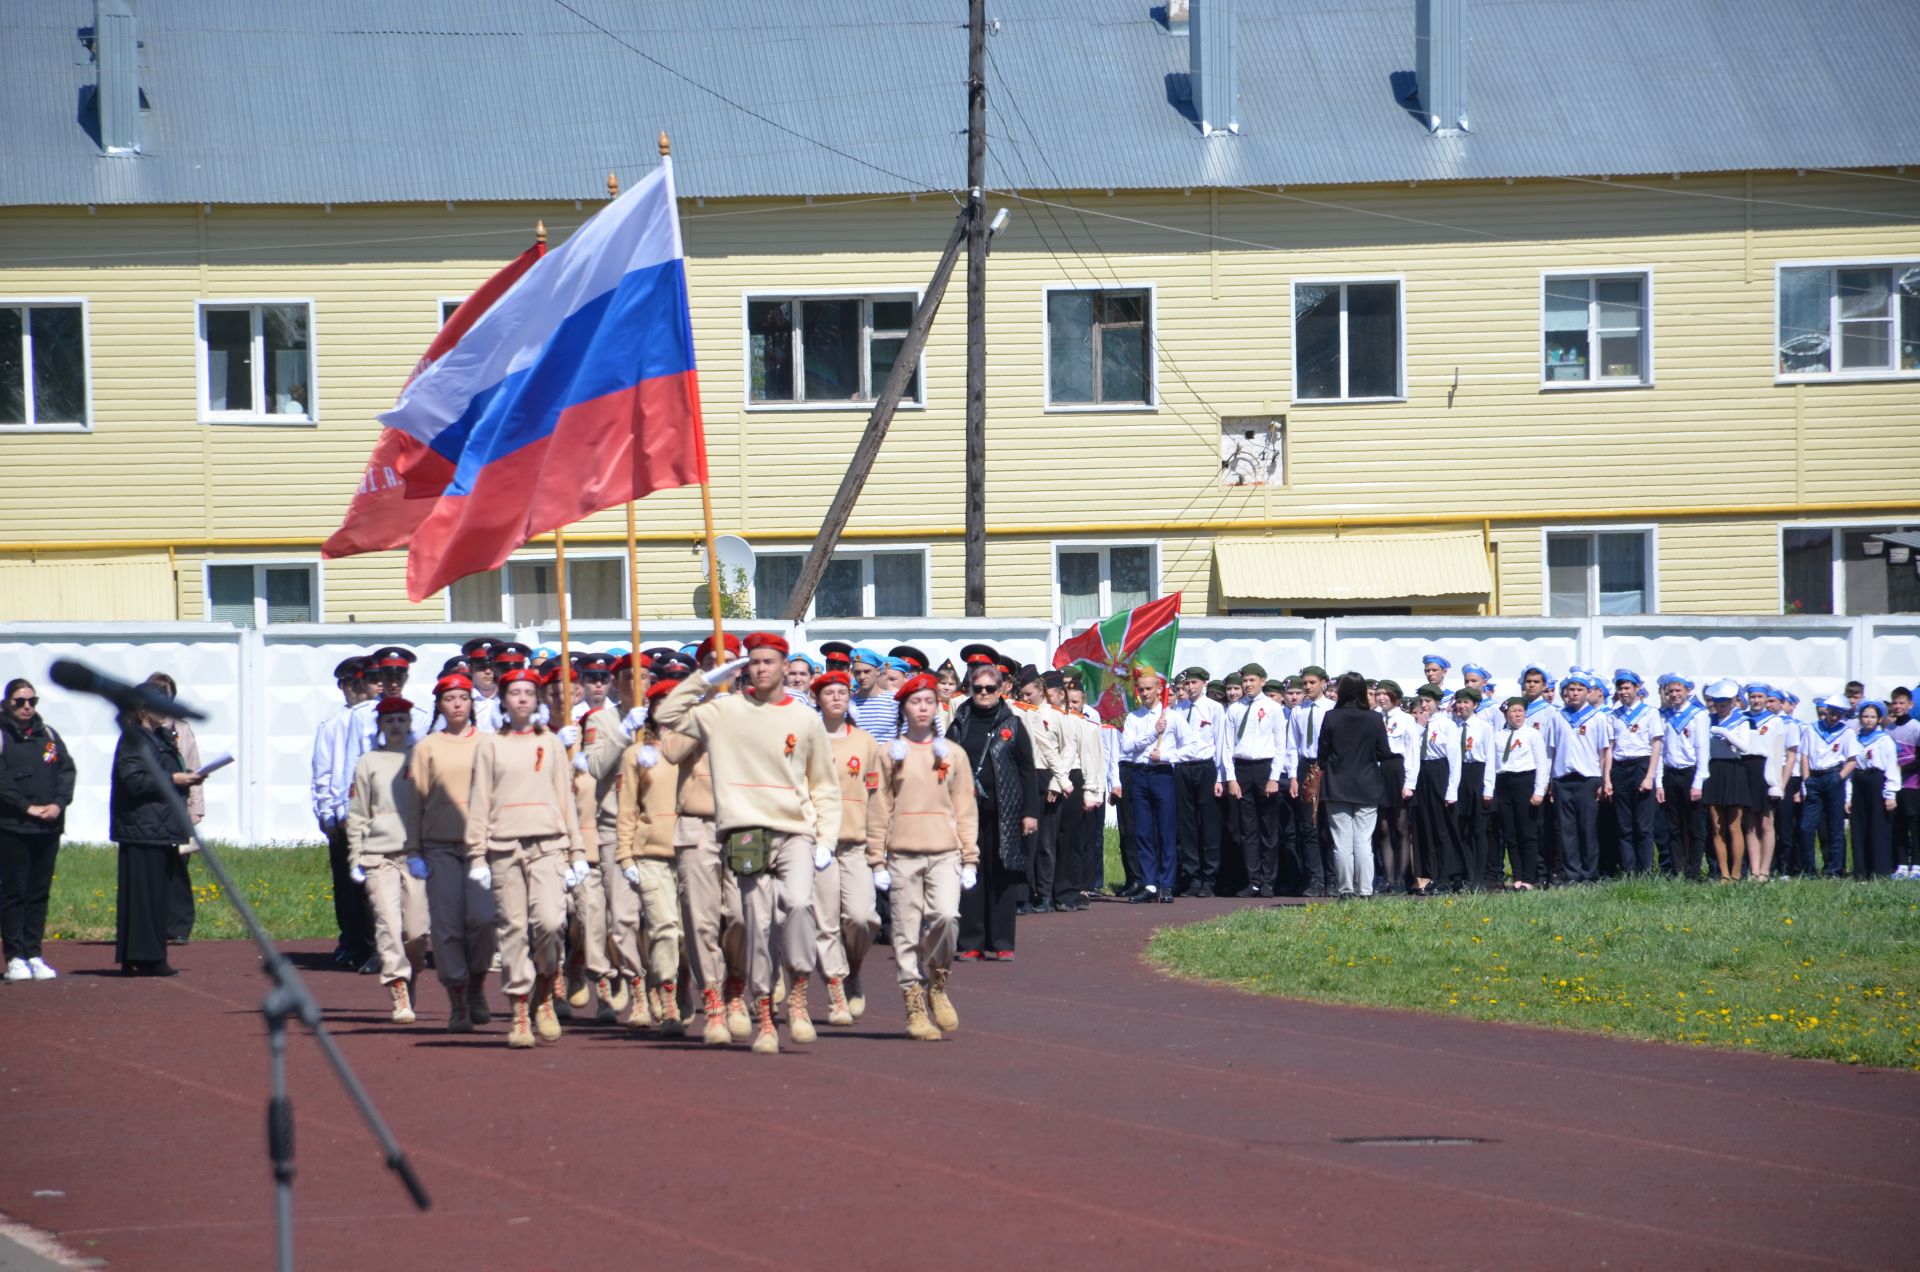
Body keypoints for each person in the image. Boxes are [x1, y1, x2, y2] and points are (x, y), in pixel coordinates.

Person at [654, 632, 840, 1056]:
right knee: (756, 924)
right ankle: (764, 1016)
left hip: (793, 829)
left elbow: (824, 784)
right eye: (753, 662)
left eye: (768, 662)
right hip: (747, 833)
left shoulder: (806, 719)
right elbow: (667, 715)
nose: (760, 669)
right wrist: (704, 679)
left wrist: (826, 837)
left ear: (783, 665)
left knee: (795, 906)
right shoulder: (724, 711)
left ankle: (796, 990)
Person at [465, 667, 591, 1049]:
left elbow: (565, 797)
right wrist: (477, 856)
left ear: (537, 700)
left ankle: (546, 988)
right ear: (503, 700)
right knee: (514, 930)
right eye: (515, 692)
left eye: (528, 693)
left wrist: (577, 850)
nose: (522, 698)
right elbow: (479, 800)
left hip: (549, 845)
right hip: (505, 847)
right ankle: (521, 1007)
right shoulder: (490, 745)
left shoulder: (551, 743)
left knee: (551, 924)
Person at [868, 672, 980, 1039]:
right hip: (902, 855)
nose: (922, 707)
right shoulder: (888, 754)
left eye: (928, 701)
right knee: (905, 931)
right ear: (904, 707)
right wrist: (876, 858)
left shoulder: (954, 754)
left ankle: (938, 981)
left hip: (945, 853)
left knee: (947, 918)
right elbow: (878, 807)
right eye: (915, 701)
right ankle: (913, 1002)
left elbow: (965, 807)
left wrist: (970, 858)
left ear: (936, 708)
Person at [408, 672, 495, 1031]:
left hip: (482, 848)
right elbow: (415, 801)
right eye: (450, 698)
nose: (457, 704)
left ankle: (476, 982)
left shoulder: (489, 744)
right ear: (440, 705)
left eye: (463, 697)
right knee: (446, 926)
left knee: (484, 919)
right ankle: (457, 996)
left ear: (472, 703)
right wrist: (413, 849)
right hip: (439, 845)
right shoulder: (427, 746)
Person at [346, 696, 430, 1023]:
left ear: (410, 724)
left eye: (402, 719)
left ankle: (412, 973)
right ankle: (397, 987)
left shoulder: (422, 758)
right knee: (389, 926)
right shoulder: (368, 762)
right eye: (390, 720)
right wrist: (356, 855)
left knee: (416, 931)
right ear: (380, 726)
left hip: (415, 855)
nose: (396, 725)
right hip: (379, 855)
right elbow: (358, 813)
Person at [611, 680, 688, 1037]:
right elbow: (626, 810)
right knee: (665, 927)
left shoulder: (697, 749)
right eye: (661, 704)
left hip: (692, 852)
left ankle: (678, 981)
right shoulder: (636, 755)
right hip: (652, 853)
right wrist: (625, 856)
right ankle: (668, 995)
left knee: (690, 934)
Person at [950, 657, 1038, 960]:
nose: (984, 693)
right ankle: (971, 942)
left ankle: (1002, 943)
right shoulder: (960, 722)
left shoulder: (1012, 724)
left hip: (1006, 811)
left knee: (1002, 873)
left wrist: (1030, 812)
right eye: (978, 688)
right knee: (971, 873)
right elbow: (944, 761)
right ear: (970, 689)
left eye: (990, 688)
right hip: (967, 810)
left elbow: (1027, 770)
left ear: (1002, 689)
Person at [810, 669, 881, 1024]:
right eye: (829, 693)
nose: (837, 698)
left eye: (842, 692)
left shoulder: (865, 742)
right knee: (826, 923)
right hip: (819, 843)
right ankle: (837, 992)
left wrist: (880, 841)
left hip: (855, 843)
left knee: (862, 917)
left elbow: (876, 793)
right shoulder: (807, 741)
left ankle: (853, 968)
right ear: (817, 700)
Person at [110, 703, 202, 976]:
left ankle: (148, 954)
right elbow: (133, 780)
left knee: (158, 895)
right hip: (141, 827)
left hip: (160, 826)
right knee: (141, 894)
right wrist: (173, 778)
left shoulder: (162, 737)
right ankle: (142, 956)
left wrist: (189, 779)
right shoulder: (132, 738)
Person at [0, 679, 77, 982]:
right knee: (13, 892)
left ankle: (34, 953)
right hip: (13, 828)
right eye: (20, 701)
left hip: (48, 828)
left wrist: (58, 804)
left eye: (32, 700)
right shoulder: (4, 736)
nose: (27, 706)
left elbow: (66, 771)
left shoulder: (48, 736)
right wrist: (25, 807)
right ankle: (15, 956)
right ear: (8, 702)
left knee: (38, 893)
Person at [312, 655, 377, 971]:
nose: (357, 689)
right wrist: (327, 815)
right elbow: (324, 774)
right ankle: (352, 940)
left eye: (361, 682)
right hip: (342, 815)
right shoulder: (332, 726)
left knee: (372, 884)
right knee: (346, 884)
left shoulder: (379, 717)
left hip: (375, 814)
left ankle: (374, 944)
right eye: (350, 683)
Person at [1120, 667, 1194, 904]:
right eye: (1141, 689)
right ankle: (1149, 882)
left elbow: (1193, 746)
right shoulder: (1134, 717)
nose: (1145, 693)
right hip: (1139, 774)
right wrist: (1153, 734)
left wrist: (1166, 757)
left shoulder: (1172, 716)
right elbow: (1127, 747)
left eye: (1149, 688)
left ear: (1159, 689)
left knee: (1165, 830)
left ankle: (1166, 884)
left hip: (1162, 774)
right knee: (1143, 831)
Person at [1317, 671, 1392, 900]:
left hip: (1336, 785)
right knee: (1363, 841)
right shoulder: (1374, 718)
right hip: (1367, 785)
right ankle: (1366, 890)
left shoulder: (1331, 717)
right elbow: (1383, 752)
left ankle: (1346, 889)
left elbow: (1322, 754)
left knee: (1341, 842)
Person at [144, 673, 203, 945]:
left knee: (179, 869)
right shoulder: (142, 730)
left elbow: (194, 767)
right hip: (151, 811)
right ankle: (153, 923)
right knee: (152, 869)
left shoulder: (183, 729)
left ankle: (179, 926)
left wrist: (196, 809)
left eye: (166, 693)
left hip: (179, 810)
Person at [1012, 669, 1073, 913]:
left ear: (1040, 689)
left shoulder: (1057, 715)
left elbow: (1068, 750)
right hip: (1027, 775)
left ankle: (1045, 895)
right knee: (1027, 838)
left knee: (1046, 841)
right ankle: (1025, 894)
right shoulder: (1020, 711)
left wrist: (1057, 784)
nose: (1025, 698)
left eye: (1029, 693)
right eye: (1023, 694)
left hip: (1048, 777)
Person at [1227, 663, 1290, 898]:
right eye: (1244, 681)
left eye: (1252, 680)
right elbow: (1227, 745)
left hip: (1265, 767)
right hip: (1242, 768)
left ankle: (1268, 880)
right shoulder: (1234, 709)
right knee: (1247, 828)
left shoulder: (1272, 708)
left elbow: (1280, 744)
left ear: (1263, 681)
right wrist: (1231, 778)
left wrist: (1274, 777)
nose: (1247, 685)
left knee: (1268, 827)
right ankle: (1253, 879)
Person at [1169, 667, 1228, 898]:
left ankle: (1209, 877)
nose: (1190, 688)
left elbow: (1221, 742)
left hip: (1205, 767)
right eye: (1187, 684)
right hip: (1182, 767)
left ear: (1204, 683)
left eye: (1194, 683)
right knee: (1187, 824)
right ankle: (1191, 876)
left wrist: (1221, 776)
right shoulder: (1178, 709)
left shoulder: (1214, 709)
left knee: (1209, 823)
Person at [1551, 674, 1613, 884]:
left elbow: (1604, 751)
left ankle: (1589, 873)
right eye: (1571, 689)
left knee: (1588, 828)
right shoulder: (1558, 716)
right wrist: (1549, 781)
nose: (1575, 693)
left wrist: (1605, 780)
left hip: (1588, 778)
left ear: (1588, 692)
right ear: (1565, 693)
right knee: (1567, 830)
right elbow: (1551, 749)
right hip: (1563, 778)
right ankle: (1572, 873)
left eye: (1579, 689)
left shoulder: (1597, 717)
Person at [1701, 680, 1759, 882]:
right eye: (1716, 703)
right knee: (1717, 826)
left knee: (1734, 825)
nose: (1719, 707)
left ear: (1733, 702)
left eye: (1724, 703)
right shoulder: (1708, 719)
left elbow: (1744, 746)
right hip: (1714, 769)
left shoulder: (1741, 720)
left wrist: (1725, 733)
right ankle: (1723, 874)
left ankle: (1736, 873)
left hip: (1734, 769)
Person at [1407, 685, 1461, 895]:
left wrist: (1451, 790)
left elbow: (1454, 759)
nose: (1424, 705)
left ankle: (1446, 875)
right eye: (1422, 701)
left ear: (1438, 703)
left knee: (1442, 827)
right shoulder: (1419, 725)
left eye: (1428, 701)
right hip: (1423, 773)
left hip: (1440, 770)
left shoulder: (1446, 724)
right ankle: (1426, 874)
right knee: (1424, 826)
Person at [1656, 674, 1711, 881]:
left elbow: (1702, 750)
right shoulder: (1664, 715)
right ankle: (1678, 869)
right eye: (1670, 691)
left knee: (1695, 826)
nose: (1674, 694)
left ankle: (1694, 870)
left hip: (1690, 773)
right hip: (1671, 774)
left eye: (1678, 690)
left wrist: (1698, 782)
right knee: (1674, 826)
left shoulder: (1698, 715)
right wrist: (1659, 782)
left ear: (1688, 691)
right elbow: (1661, 750)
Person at [1492, 696, 1550, 890]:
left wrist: (1539, 790)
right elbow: (1495, 763)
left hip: (1525, 781)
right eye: (1513, 711)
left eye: (1520, 711)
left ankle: (1529, 877)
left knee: (1528, 833)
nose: (1517, 715)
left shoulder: (1532, 734)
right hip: (1504, 783)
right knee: (1511, 833)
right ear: (1506, 714)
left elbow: (1542, 763)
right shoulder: (1498, 735)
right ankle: (1517, 876)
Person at [1608, 670, 1662, 875]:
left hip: (1641, 766)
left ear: (1637, 689)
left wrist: (1650, 776)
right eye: (1620, 688)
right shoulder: (1614, 715)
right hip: (1620, 769)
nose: (1623, 692)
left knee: (1643, 825)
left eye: (1627, 688)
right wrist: (1608, 777)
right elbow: (1611, 747)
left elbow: (1656, 745)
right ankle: (1629, 871)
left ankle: (1645, 870)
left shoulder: (1650, 713)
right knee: (1624, 825)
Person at [1288, 666, 1334, 896]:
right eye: (1305, 683)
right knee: (1309, 826)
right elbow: (1292, 745)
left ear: (1323, 683)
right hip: (1306, 764)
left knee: (1329, 824)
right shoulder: (1298, 711)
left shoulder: (1332, 709)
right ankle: (1316, 878)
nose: (1307, 687)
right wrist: (1294, 776)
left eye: (1312, 682)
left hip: (1326, 766)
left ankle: (1333, 877)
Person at [1449, 688, 1497, 891]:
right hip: (1459, 776)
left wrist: (1488, 788)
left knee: (1479, 829)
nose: (1462, 706)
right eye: (1459, 702)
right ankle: (1467, 875)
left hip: (1477, 775)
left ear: (1475, 705)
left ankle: (1479, 877)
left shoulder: (1484, 727)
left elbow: (1490, 758)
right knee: (1462, 829)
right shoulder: (1452, 726)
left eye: (1466, 702)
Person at [1847, 701, 1899, 879]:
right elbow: (1851, 765)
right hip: (1859, 780)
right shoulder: (1855, 738)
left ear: (1879, 719)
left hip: (1877, 781)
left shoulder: (1884, 740)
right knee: (1859, 826)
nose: (1868, 720)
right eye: (1865, 716)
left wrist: (1890, 794)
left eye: (1872, 717)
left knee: (1878, 826)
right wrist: (1848, 796)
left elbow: (1891, 767)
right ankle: (1861, 870)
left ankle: (1880, 870)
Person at [1376, 682, 1419, 894]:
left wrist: (1409, 783)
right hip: (1379, 770)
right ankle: (1389, 879)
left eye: (1385, 694)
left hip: (1398, 770)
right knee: (1383, 827)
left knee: (1401, 827)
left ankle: (1402, 879)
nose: (1381, 698)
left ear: (1395, 697)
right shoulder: (1375, 717)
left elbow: (1412, 752)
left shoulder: (1406, 719)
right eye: (1378, 694)